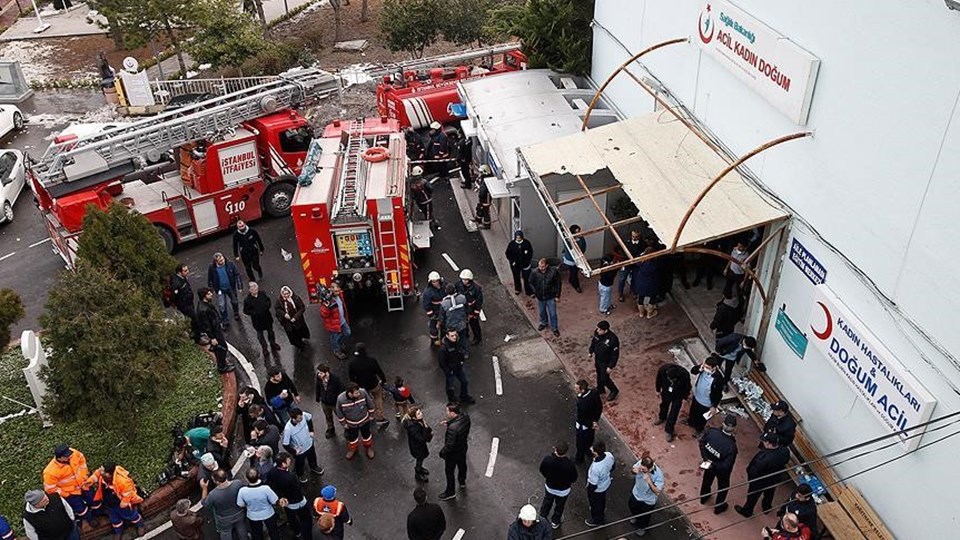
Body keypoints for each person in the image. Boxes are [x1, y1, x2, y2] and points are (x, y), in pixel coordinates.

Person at [735, 432, 791, 518]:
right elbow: (786, 461)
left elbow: (753, 471)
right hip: (774, 478)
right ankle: (766, 507)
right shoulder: (784, 451)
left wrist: (751, 479)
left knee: (753, 496)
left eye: (764, 441)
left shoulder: (763, 457)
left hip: (760, 481)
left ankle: (747, 511)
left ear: (768, 443)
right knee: (769, 493)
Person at [87, 462, 145, 538]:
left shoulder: (122, 481)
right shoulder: (103, 475)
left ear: (108, 474)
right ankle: (118, 531)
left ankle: (140, 525)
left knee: (131, 515)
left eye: (102, 470)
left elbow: (128, 492)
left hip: (121, 503)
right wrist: (90, 480)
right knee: (115, 519)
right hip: (109, 503)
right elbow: (96, 474)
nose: (99, 470)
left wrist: (124, 502)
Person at [42, 445, 96, 525]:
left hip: (83, 484)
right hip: (71, 493)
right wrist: (66, 494)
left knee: (93, 499)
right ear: (60, 458)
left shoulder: (73, 453)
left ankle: (98, 512)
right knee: (80, 508)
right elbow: (50, 488)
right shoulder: (50, 472)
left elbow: (81, 459)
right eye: (67, 456)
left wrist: (84, 475)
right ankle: (89, 519)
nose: (70, 456)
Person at [266, 452, 313, 540]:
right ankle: (307, 537)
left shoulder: (272, 472)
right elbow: (297, 489)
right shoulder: (290, 477)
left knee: (291, 517)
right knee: (306, 520)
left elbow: (270, 484)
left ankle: (297, 532)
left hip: (286, 502)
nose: (290, 460)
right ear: (283, 464)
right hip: (297, 501)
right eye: (287, 460)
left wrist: (280, 497)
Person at [699, 414, 739, 514]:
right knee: (723, 487)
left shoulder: (712, 432)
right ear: (734, 428)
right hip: (722, 471)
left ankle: (704, 498)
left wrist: (706, 459)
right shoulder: (731, 446)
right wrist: (714, 464)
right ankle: (718, 507)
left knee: (707, 480)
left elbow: (702, 443)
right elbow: (727, 465)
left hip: (709, 463)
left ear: (723, 423)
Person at [348, 343, 390, 428]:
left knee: (364, 401)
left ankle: (367, 417)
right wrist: (383, 380)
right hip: (373, 384)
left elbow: (351, 377)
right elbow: (379, 371)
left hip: (361, 386)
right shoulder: (371, 360)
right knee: (378, 399)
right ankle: (380, 417)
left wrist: (355, 386)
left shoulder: (352, 363)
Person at [539, 442, 578, 529]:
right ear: (565, 452)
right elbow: (574, 478)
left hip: (550, 487)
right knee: (560, 506)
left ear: (555, 449)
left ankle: (542, 517)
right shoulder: (570, 465)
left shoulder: (548, 460)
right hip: (563, 491)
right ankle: (555, 521)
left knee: (547, 502)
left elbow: (542, 470)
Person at [201, 469, 248, 540]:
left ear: (216, 481)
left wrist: (204, 488)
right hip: (239, 513)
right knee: (241, 527)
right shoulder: (237, 483)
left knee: (226, 532)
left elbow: (205, 503)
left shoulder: (213, 494)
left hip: (224, 518)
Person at [335, 383, 377, 460]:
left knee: (366, 436)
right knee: (352, 438)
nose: (358, 394)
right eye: (356, 393)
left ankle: (368, 448)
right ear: (350, 393)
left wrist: (371, 416)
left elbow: (370, 404)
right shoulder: (340, 399)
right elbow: (339, 412)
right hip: (351, 424)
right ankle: (353, 449)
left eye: (358, 392)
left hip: (364, 421)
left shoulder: (363, 392)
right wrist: (344, 424)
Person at [438, 403, 471, 501]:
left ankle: (450, 492)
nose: (446, 413)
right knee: (462, 464)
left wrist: (442, 452)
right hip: (462, 448)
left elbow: (449, 445)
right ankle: (462, 481)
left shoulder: (452, 429)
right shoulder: (465, 417)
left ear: (452, 413)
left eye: (447, 411)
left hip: (453, 454)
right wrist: (448, 423)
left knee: (449, 472)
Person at [237, 468, 281, 540]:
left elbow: (240, 504)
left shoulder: (243, 491)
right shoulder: (265, 489)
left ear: (247, 478)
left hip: (253, 516)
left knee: (257, 534)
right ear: (258, 475)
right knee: (273, 532)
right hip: (268, 514)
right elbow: (274, 501)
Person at [281, 407, 324, 481]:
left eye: (301, 417)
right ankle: (300, 474)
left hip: (309, 442)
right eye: (299, 419)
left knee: (312, 457)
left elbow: (309, 418)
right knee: (300, 463)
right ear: (293, 418)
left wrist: (311, 430)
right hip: (300, 450)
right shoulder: (288, 429)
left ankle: (314, 466)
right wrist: (294, 452)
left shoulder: (303, 415)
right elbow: (285, 444)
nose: (301, 419)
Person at [688, 355, 725, 437]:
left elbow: (719, 394)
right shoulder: (702, 369)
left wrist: (714, 406)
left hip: (706, 402)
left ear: (714, 367)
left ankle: (699, 429)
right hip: (697, 396)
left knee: (701, 418)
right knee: (693, 411)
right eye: (705, 366)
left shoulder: (718, 379)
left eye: (708, 367)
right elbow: (693, 371)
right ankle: (690, 422)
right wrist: (699, 368)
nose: (706, 368)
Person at [654, 363, 692, 442]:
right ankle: (662, 417)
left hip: (678, 395)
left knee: (674, 412)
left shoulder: (684, 374)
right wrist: (658, 390)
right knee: (664, 405)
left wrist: (685, 396)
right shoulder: (663, 369)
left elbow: (687, 386)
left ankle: (669, 430)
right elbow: (658, 379)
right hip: (666, 392)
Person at [628, 456, 664, 536]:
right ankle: (635, 516)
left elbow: (657, 492)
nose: (641, 470)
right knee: (632, 506)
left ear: (650, 468)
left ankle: (641, 527)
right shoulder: (640, 463)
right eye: (640, 468)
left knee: (644, 516)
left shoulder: (658, 475)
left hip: (648, 499)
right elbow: (632, 470)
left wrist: (649, 481)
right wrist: (634, 471)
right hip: (636, 493)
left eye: (643, 470)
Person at [244, 281, 281, 357]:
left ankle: (273, 343)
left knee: (271, 332)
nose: (255, 289)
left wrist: (266, 307)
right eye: (253, 288)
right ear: (250, 290)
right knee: (260, 336)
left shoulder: (262, 294)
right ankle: (264, 348)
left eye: (256, 287)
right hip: (257, 321)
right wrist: (254, 312)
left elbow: (268, 301)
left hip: (267, 318)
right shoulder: (247, 300)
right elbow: (246, 310)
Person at [438, 328, 475, 404]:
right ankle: (452, 400)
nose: (454, 337)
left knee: (465, 382)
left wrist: (461, 360)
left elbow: (459, 351)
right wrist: (448, 371)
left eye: (455, 335)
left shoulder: (456, 342)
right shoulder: (444, 349)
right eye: (452, 335)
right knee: (450, 387)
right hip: (451, 369)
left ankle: (464, 396)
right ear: (447, 336)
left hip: (458, 366)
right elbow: (442, 363)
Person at [584, 441, 615, 527]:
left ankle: (597, 520)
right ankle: (601, 509)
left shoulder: (596, 468)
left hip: (597, 489)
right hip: (605, 484)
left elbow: (593, 485)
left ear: (596, 453)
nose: (591, 449)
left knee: (595, 503)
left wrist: (589, 490)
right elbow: (613, 467)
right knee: (602, 500)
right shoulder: (609, 455)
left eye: (592, 449)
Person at [529, 258, 562, 337]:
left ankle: (554, 328)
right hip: (540, 297)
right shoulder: (534, 273)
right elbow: (530, 282)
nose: (541, 268)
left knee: (553, 313)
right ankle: (544, 323)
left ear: (547, 265)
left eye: (543, 266)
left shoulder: (553, 272)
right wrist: (535, 291)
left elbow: (558, 283)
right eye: (540, 266)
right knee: (542, 312)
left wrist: (557, 295)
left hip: (550, 296)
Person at [207, 252, 243, 324]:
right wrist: (211, 289)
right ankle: (225, 319)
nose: (222, 261)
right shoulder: (212, 268)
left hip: (231, 288)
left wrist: (240, 286)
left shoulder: (230, 264)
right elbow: (210, 279)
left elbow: (237, 274)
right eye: (220, 261)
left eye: (223, 259)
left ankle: (236, 313)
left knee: (235, 301)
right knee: (222, 305)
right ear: (216, 261)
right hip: (220, 289)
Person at [589, 320, 620, 401]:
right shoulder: (597, 333)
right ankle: (600, 388)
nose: (597, 330)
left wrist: (610, 366)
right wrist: (591, 351)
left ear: (605, 330)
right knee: (599, 374)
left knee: (604, 378)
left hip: (606, 362)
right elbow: (593, 342)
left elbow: (615, 355)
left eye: (600, 330)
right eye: (597, 329)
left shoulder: (613, 339)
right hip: (598, 359)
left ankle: (614, 390)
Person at [402, 405, 433, 483]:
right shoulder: (413, 428)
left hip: (418, 446)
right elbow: (421, 439)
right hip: (417, 448)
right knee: (420, 459)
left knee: (421, 459)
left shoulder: (417, 421)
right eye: (419, 413)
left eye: (420, 412)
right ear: (414, 418)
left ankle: (420, 468)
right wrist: (426, 429)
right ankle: (418, 473)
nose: (421, 414)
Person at [574, 380, 603, 464]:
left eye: (576, 388)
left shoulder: (582, 402)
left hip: (584, 426)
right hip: (592, 423)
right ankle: (589, 452)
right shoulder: (594, 393)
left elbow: (581, 418)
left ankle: (579, 459)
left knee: (580, 443)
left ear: (582, 390)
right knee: (590, 439)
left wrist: (590, 424)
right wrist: (595, 421)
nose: (575, 389)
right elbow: (599, 407)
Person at [319, 286, 351, 360]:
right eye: (337, 291)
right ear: (332, 291)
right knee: (334, 338)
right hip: (333, 325)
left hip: (342, 321)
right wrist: (326, 307)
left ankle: (338, 342)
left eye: (339, 290)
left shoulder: (339, 295)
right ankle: (336, 350)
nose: (339, 292)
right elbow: (323, 314)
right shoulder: (327, 301)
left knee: (347, 333)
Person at [315, 364, 345, 439]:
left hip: (335, 403)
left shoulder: (335, 379)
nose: (319, 374)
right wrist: (318, 396)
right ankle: (330, 428)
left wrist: (340, 401)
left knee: (341, 416)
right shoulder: (319, 378)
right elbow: (318, 387)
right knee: (328, 416)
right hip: (325, 402)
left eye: (321, 373)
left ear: (326, 372)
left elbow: (342, 390)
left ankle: (347, 428)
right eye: (318, 373)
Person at [632, 242, 661, 319]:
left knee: (640, 298)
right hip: (652, 283)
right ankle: (649, 314)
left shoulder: (642, 261)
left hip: (641, 282)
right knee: (652, 298)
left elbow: (636, 262)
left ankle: (641, 313)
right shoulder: (656, 263)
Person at [455, 268, 484, 345]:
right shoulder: (458, 285)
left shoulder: (476, 288)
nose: (464, 281)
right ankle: (466, 335)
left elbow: (479, 301)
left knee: (474, 325)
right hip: (463, 309)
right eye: (463, 279)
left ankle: (477, 338)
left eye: (466, 280)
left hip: (472, 309)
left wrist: (476, 313)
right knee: (464, 325)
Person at [617, 230, 645, 302]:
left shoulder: (643, 244)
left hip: (636, 265)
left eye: (636, 237)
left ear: (639, 236)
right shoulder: (626, 243)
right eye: (633, 236)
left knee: (635, 278)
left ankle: (633, 291)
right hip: (627, 263)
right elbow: (621, 252)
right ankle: (620, 293)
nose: (634, 238)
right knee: (622, 278)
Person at [440, 283, 469, 350]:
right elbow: (467, 309)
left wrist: (443, 325)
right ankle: (464, 351)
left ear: (446, 291)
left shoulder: (444, 303)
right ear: (455, 290)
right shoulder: (462, 298)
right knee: (463, 338)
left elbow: (442, 316)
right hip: (461, 324)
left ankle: (453, 351)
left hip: (450, 326)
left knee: (451, 339)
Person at [505, 230, 534, 296]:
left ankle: (529, 291)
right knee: (516, 277)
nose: (518, 239)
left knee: (527, 278)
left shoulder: (526, 243)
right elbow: (508, 253)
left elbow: (530, 252)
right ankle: (518, 289)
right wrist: (512, 261)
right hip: (515, 265)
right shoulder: (512, 244)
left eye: (519, 237)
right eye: (517, 237)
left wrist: (528, 260)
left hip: (525, 264)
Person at [422, 271, 446, 346]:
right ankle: (434, 340)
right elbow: (426, 305)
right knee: (433, 328)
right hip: (435, 313)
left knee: (444, 327)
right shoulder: (428, 292)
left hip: (444, 312)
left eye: (436, 281)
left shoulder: (444, 286)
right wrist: (433, 316)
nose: (435, 283)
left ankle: (443, 339)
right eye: (433, 282)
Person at [561, 225, 587, 293]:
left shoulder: (580, 237)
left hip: (578, 258)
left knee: (574, 271)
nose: (578, 233)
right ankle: (576, 285)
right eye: (577, 232)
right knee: (574, 272)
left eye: (579, 231)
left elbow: (584, 245)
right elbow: (569, 248)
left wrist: (581, 254)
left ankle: (571, 280)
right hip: (571, 259)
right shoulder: (568, 239)